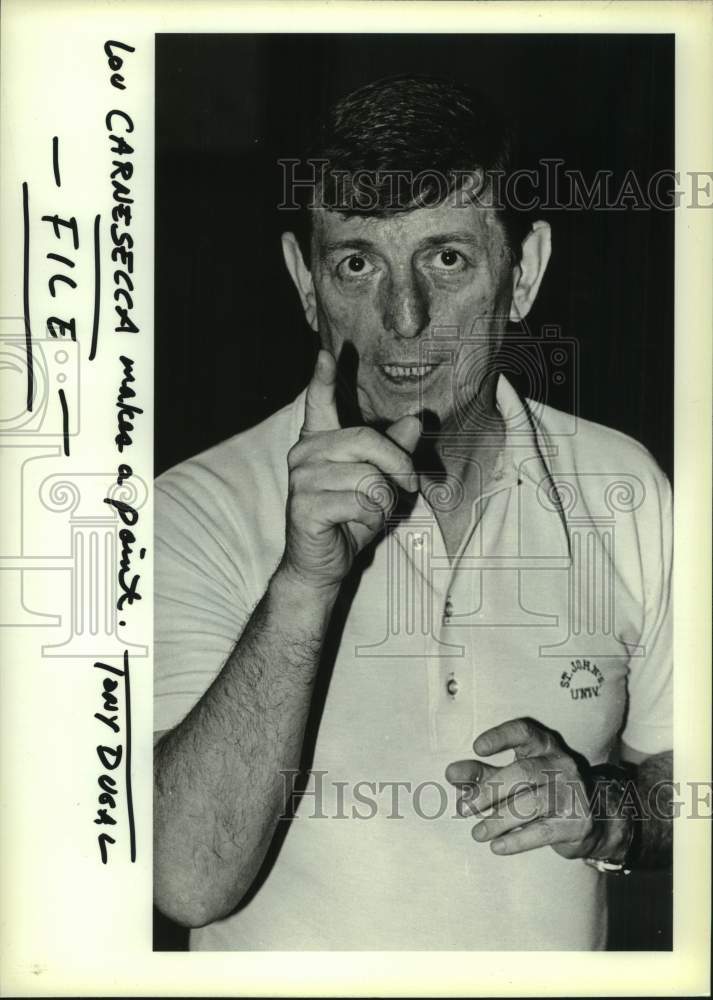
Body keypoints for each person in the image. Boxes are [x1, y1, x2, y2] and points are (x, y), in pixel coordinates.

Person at [153, 75, 672, 950]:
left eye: (446, 258)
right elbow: (186, 881)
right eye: (356, 262)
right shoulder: (191, 509)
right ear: (305, 281)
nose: (403, 319)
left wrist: (611, 815)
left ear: (524, 272)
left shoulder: (623, 487)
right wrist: (304, 582)